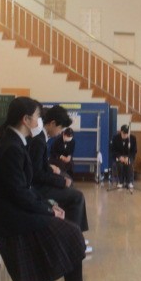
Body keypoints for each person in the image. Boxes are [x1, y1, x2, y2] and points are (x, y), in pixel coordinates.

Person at [0, 97, 104, 281]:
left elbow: (22, 188)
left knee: (70, 230)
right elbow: (20, 193)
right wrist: (47, 209)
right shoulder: (11, 147)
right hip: (7, 217)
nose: (41, 120)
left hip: (11, 209)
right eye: (38, 117)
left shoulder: (13, 141)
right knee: (72, 233)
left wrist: (47, 206)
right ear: (26, 119)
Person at [29, 107, 91, 253]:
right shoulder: (39, 141)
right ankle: (73, 241)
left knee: (70, 186)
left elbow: (42, 167)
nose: (60, 132)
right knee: (77, 197)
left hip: (40, 184)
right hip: (37, 189)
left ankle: (73, 236)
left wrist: (55, 173)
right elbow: (37, 175)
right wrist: (61, 181)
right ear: (52, 123)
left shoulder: (42, 139)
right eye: (61, 128)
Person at [111, 124, 137, 189]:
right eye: (124, 133)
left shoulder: (133, 138)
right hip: (119, 156)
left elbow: (134, 151)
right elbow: (113, 150)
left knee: (129, 163)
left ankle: (129, 182)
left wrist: (128, 158)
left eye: (127, 133)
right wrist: (119, 157)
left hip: (128, 156)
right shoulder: (115, 138)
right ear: (121, 131)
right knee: (119, 165)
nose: (125, 135)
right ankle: (120, 182)